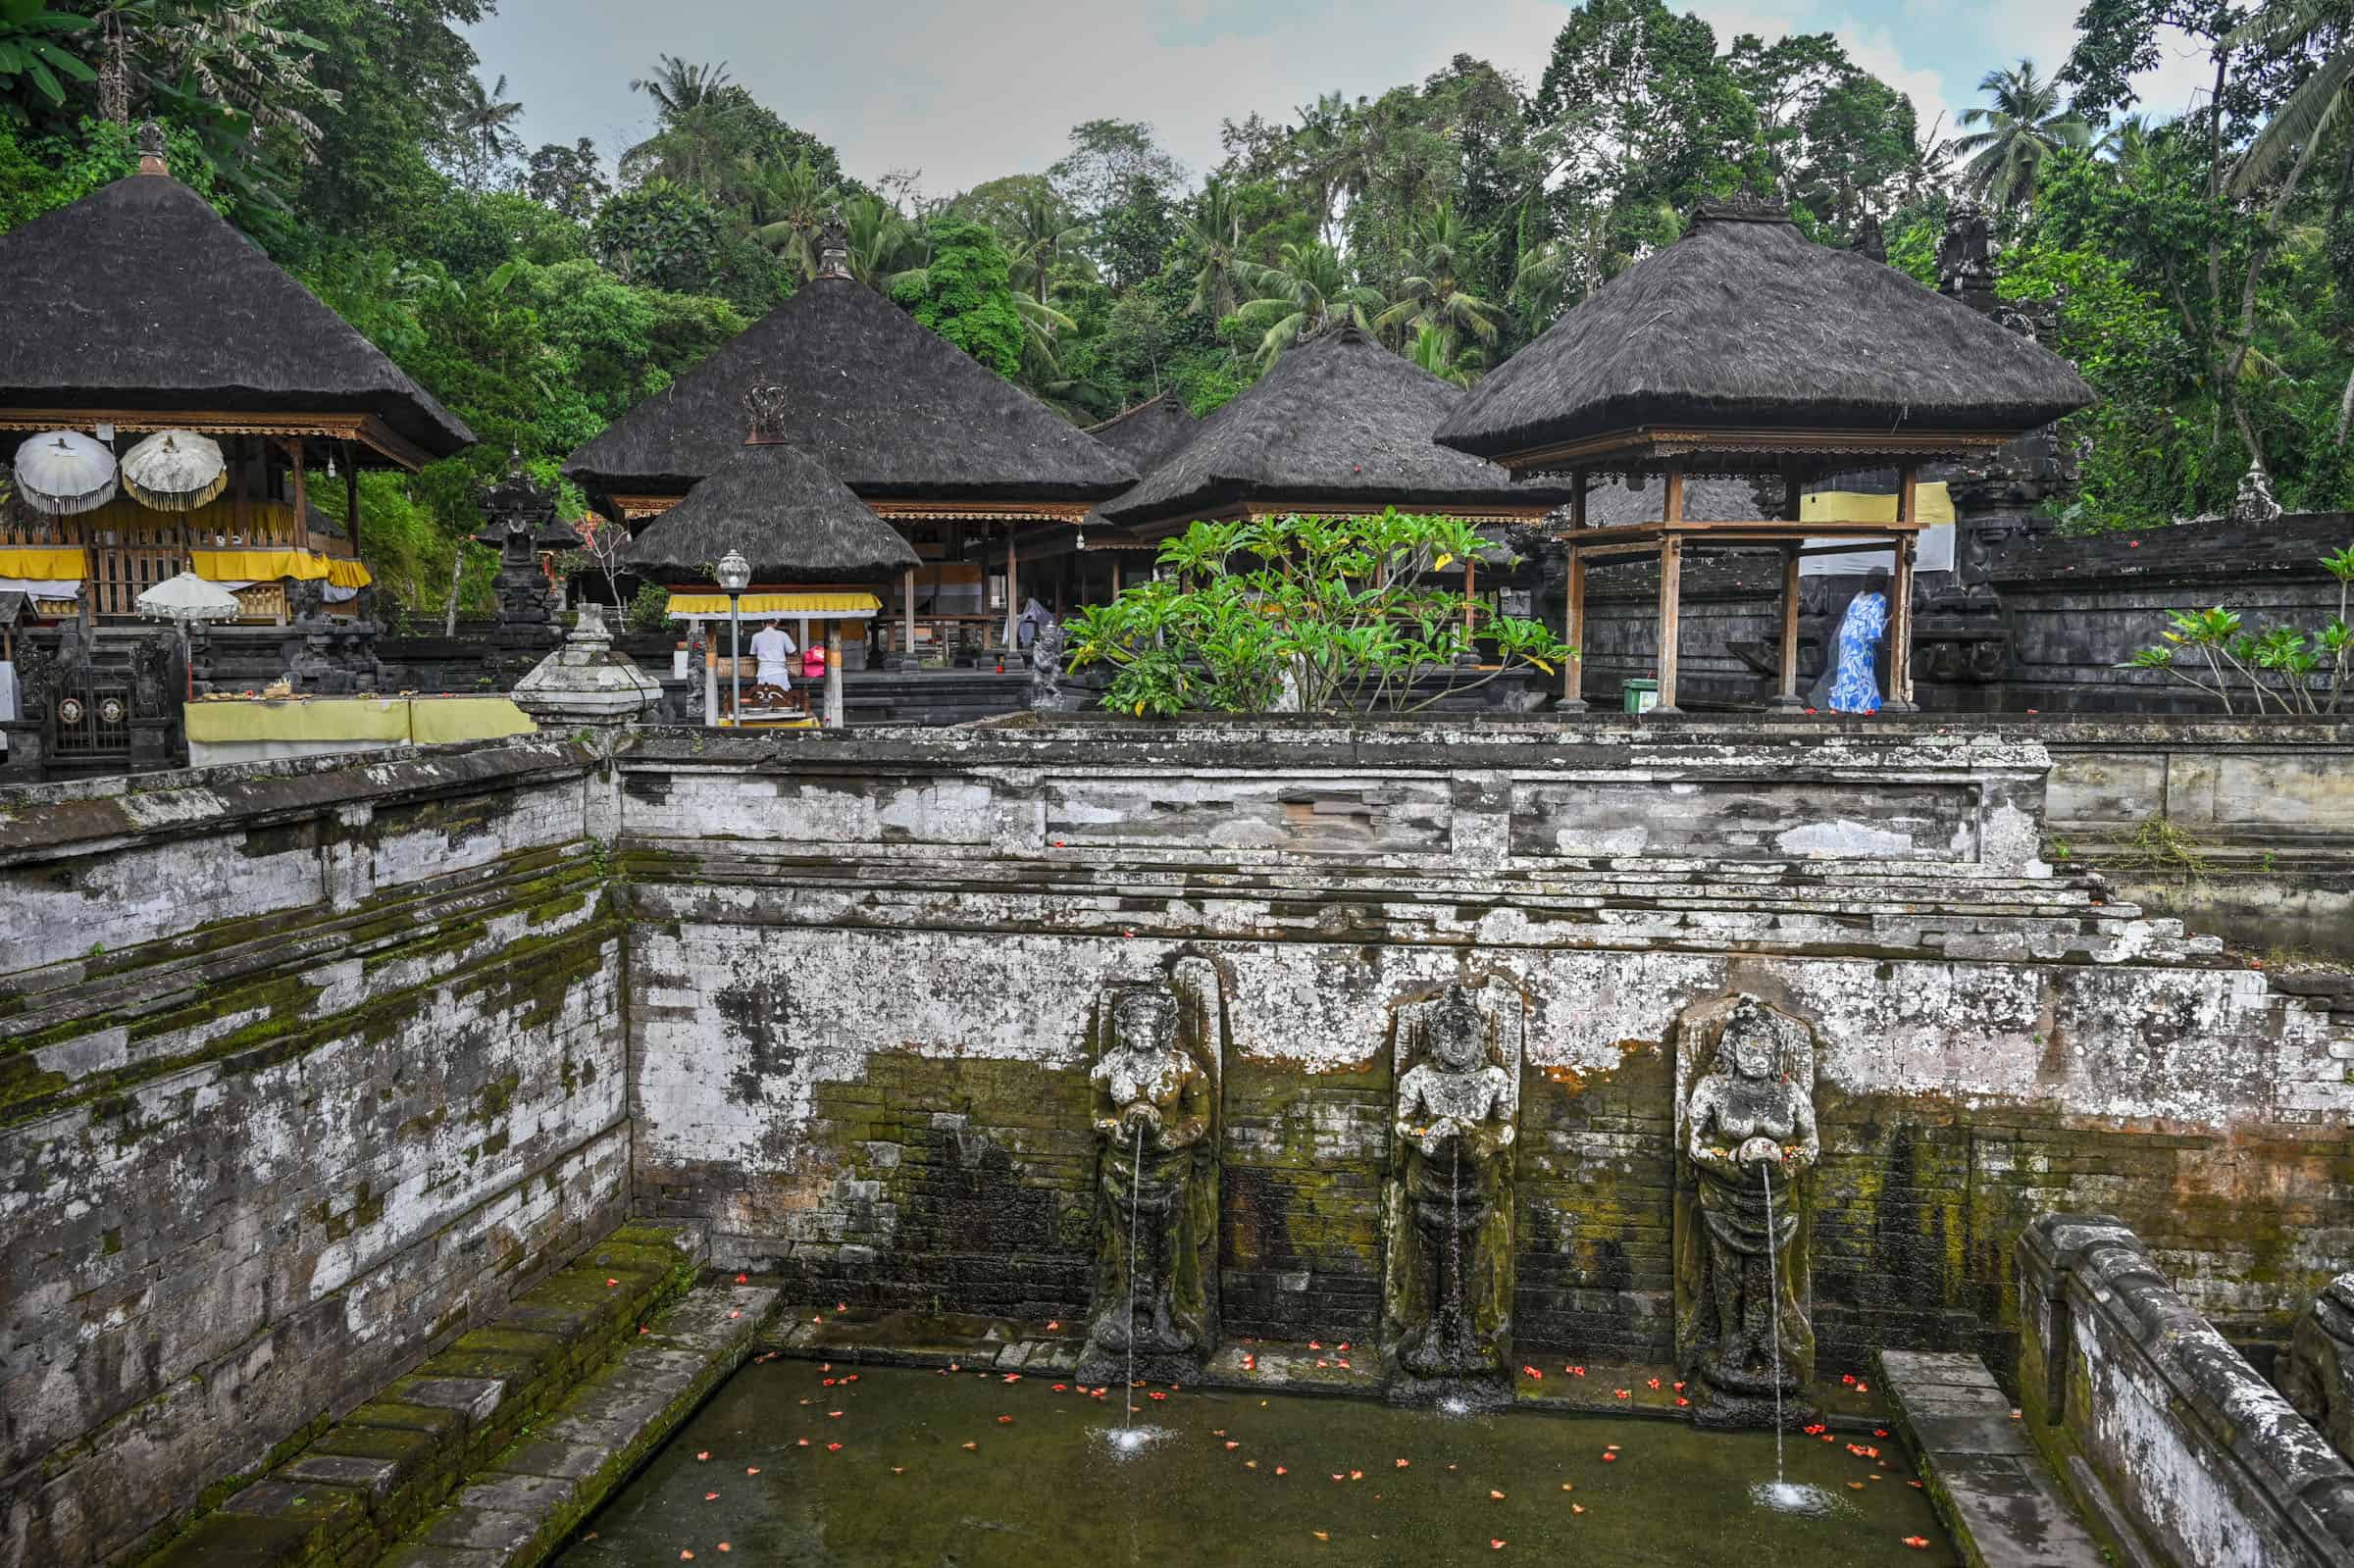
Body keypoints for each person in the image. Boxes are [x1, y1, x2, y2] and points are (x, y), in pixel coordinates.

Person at [1818, 568, 1891, 714]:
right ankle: (1861, 704)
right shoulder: (1879, 598)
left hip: (1846, 636)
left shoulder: (1859, 596)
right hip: (1860, 638)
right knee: (1862, 670)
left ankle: (1843, 702)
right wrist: (1887, 623)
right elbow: (1873, 623)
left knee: (1846, 668)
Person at [749, 619, 795, 688]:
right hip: (780, 673)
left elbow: (753, 653)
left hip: (763, 672)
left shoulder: (756, 636)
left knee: (765, 696)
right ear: (776, 623)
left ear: (762, 624)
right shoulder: (783, 635)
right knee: (781, 696)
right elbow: (792, 651)